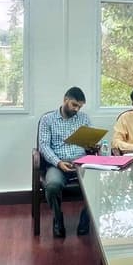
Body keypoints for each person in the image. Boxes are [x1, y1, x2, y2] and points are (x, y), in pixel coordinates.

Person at [38, 87, 92, 238]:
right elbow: (43, 146)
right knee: (52, 186)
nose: (76, 109)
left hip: (81, 163)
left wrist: (92, 145)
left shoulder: (84, 118)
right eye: (74, 105)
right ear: (65, 100)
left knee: (98, 184)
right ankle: (57, 218)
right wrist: (58, 162)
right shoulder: (48, 119)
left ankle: (85, 219)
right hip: (58, 164)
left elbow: (88, 144)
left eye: (80, 107)